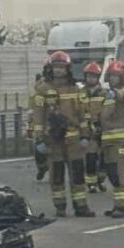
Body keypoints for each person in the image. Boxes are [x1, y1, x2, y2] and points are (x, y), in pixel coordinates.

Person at [33, 51, 95, 217]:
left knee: (78, 174)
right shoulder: (43, 89)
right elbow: (38, 116)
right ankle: (60, 207)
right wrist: (39, 138)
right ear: (50, 68)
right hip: (54, 139)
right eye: (56, 67)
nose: (58, 70)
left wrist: (85, 135)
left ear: (68, 69)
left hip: (74, 139)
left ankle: (81, 206)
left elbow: (83, 114)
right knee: (57, 175)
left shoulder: (76, 89)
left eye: (61, 67)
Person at [99, 59, 124, 218]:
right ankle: (117, 205)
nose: (113, 78)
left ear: (122, 77)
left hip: (121, 140)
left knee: (120, 174)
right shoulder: (108, 94)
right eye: (111, 75)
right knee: (112, 174)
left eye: (116, 76)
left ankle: (123, 207)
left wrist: (116, 93)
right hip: (107, 139)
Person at [81, 61, 108, 194]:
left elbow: (108, 110)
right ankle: (91, 183)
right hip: (87, 130)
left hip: (102, 128)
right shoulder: (81, 93)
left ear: (98, 77)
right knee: (90, 157)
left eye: (93, 76)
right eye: (88, 76)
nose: (90, 79)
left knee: (104, 157)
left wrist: (102, 124)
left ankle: (101, 180)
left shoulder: (104, 93)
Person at [26, 67, 50, 180]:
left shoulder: (51, 92)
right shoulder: (34, 96)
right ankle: (42, 168)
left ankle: (48, 168)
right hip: (39, 126)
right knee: (38, 149)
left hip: (49, 125)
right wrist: (30, 126)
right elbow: (31, 112)